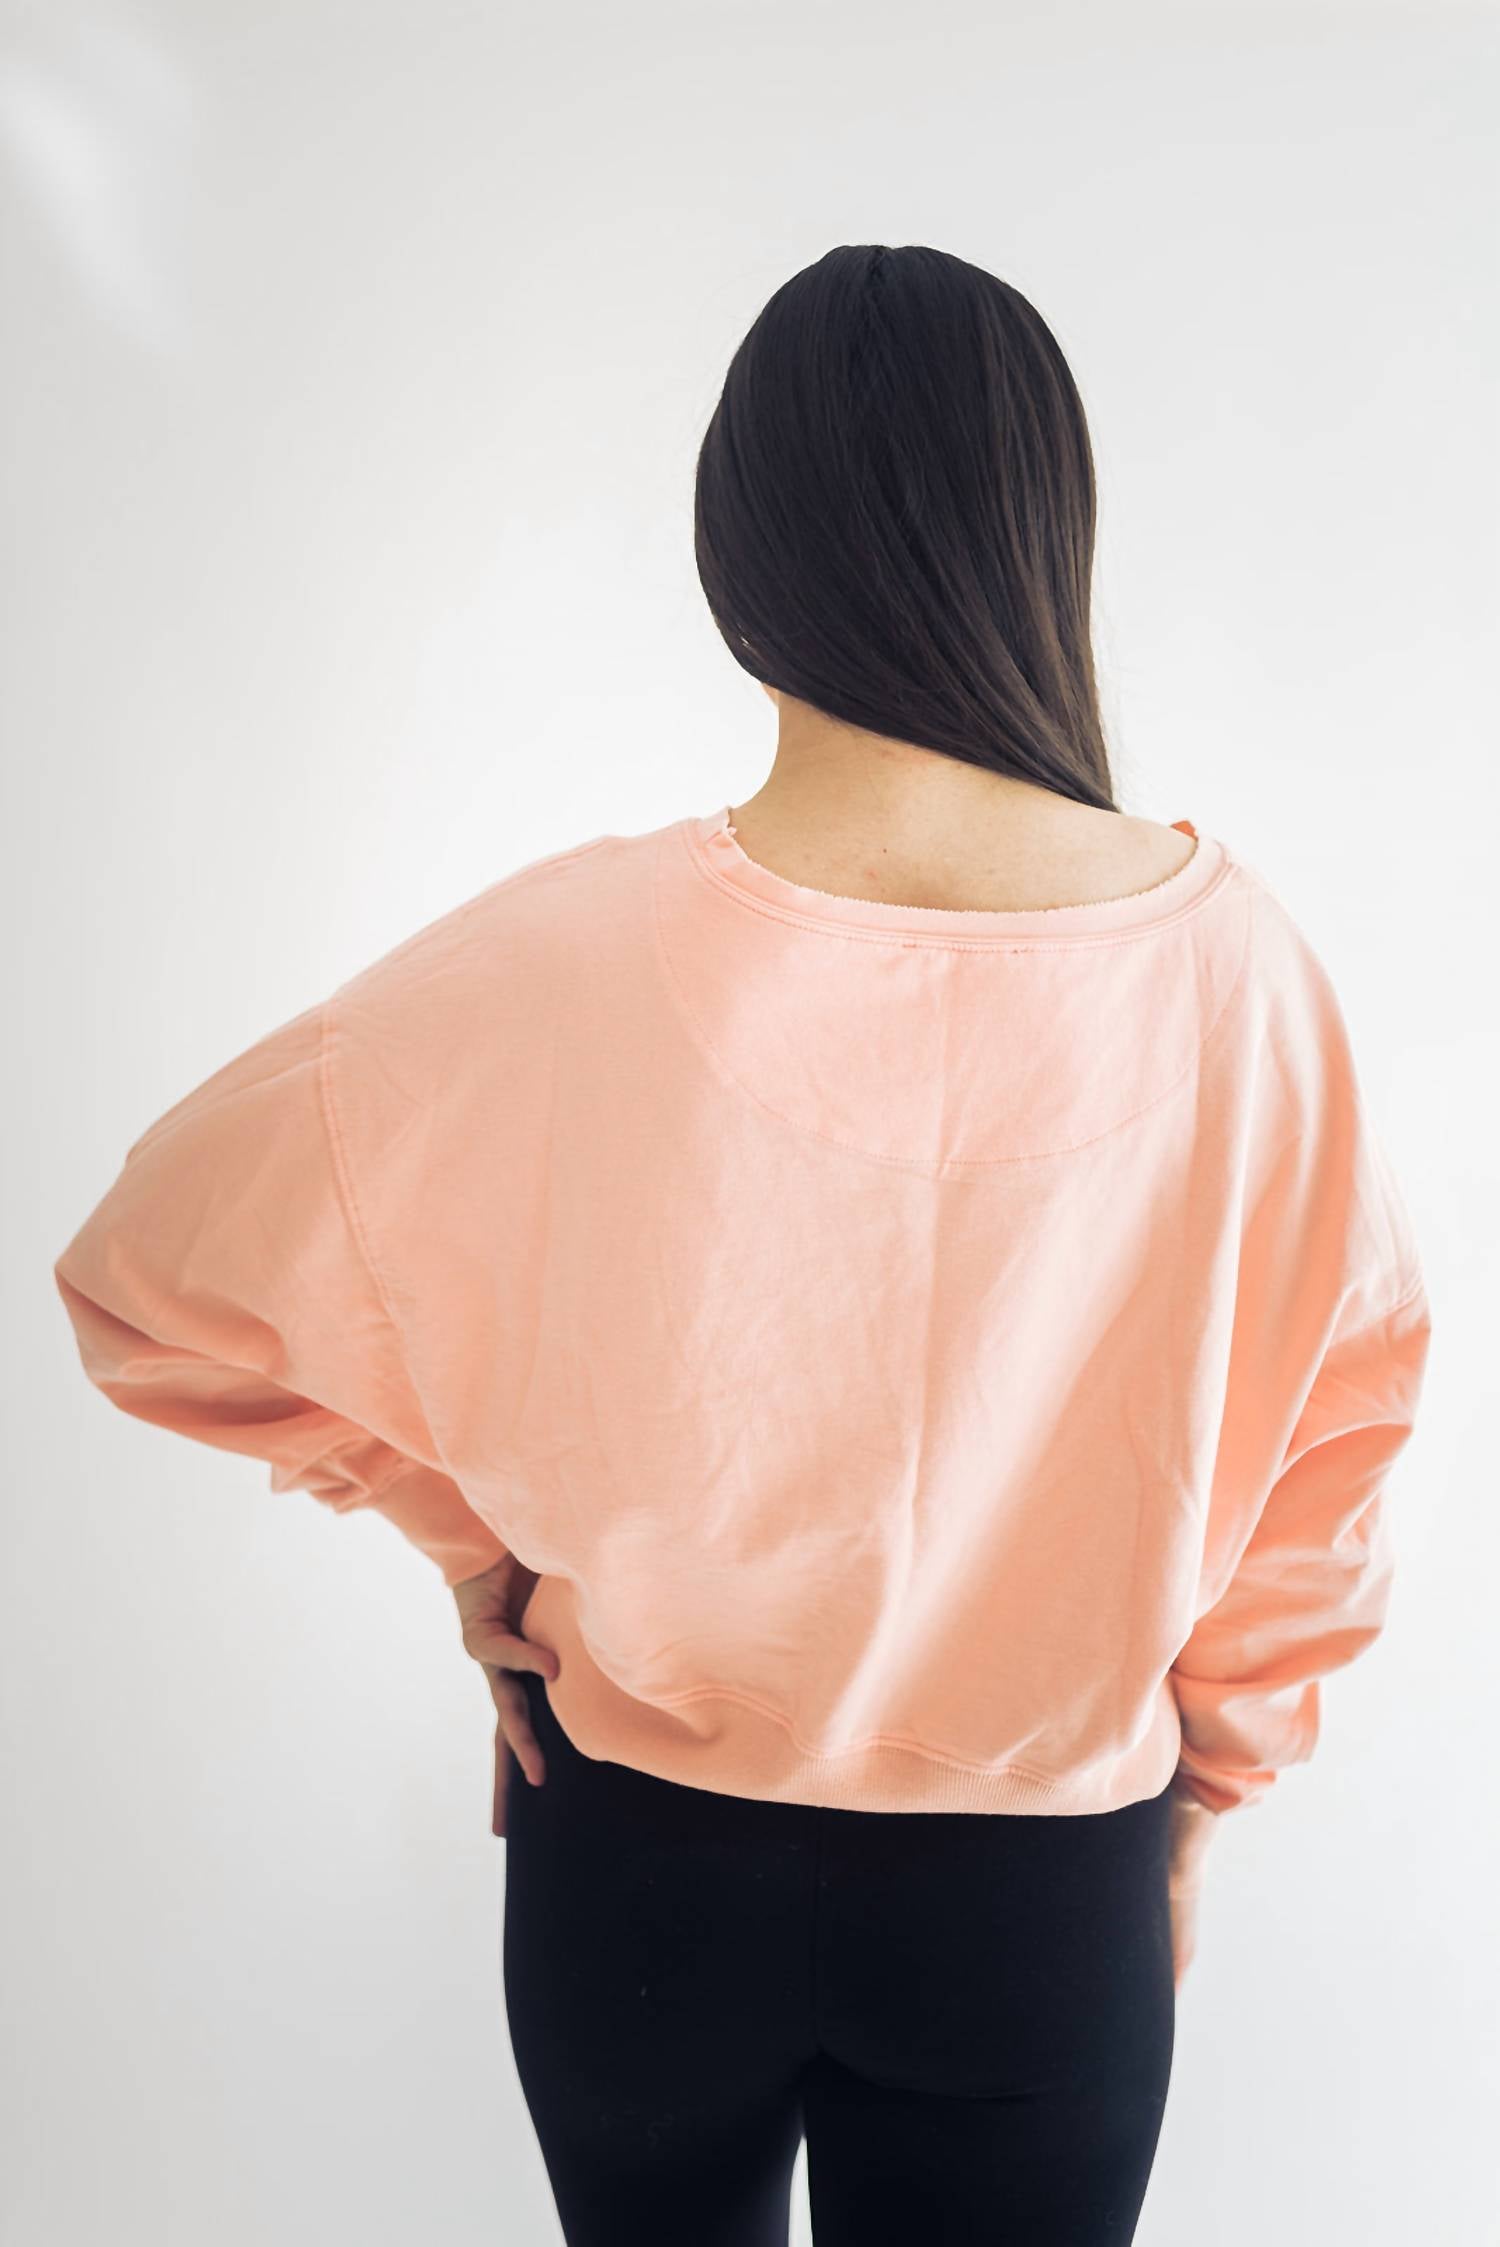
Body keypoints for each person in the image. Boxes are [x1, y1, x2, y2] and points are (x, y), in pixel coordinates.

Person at [53, 244, 1432, 2245]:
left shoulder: (560, 952)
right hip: (1039, 1898)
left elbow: (153, 1276)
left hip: (639, 1873)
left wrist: (478, 1548)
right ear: (1048, 536)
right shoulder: (1244, 981)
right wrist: (1212, 1780)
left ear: (740, 541)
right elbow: (1336, 1450)